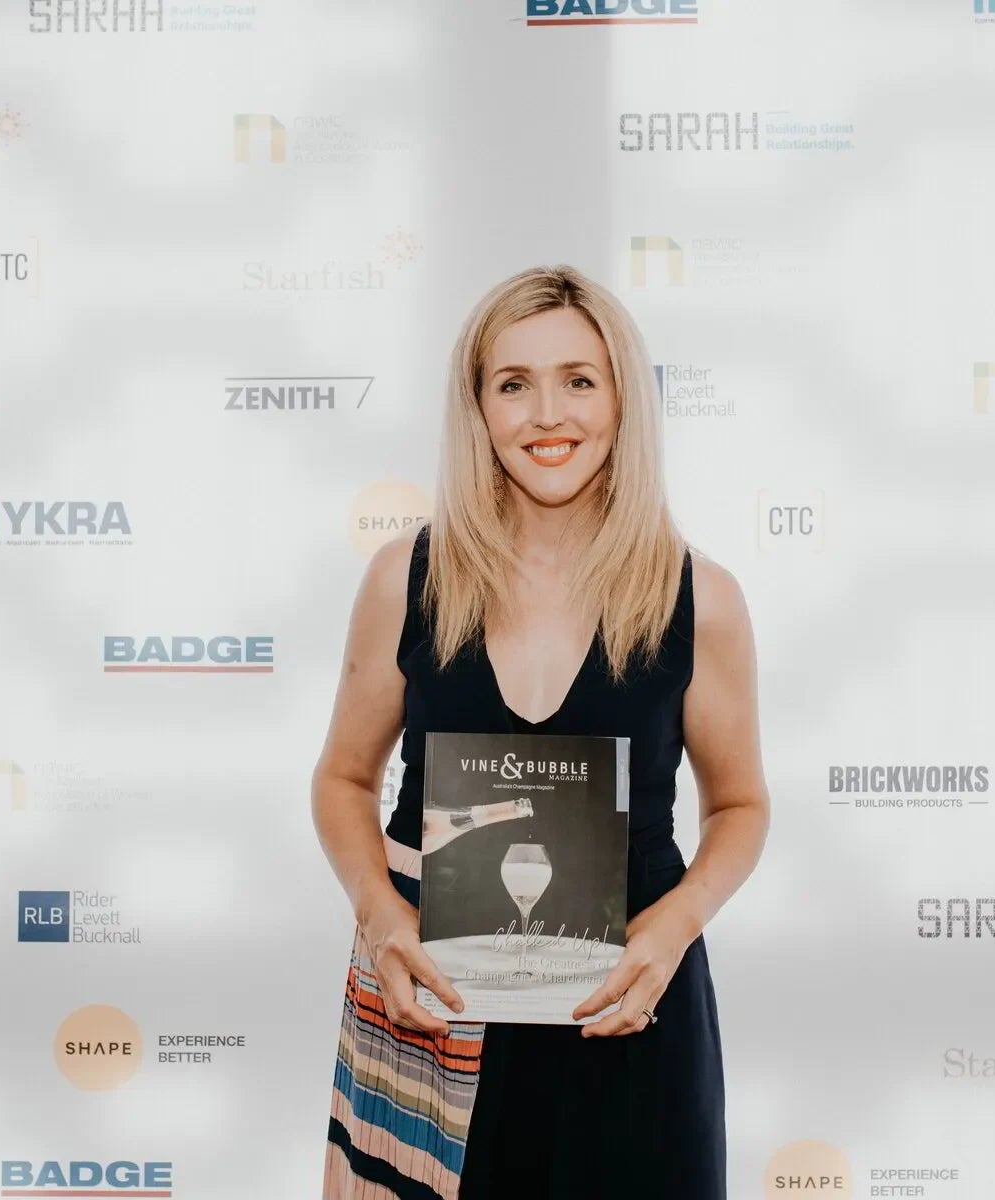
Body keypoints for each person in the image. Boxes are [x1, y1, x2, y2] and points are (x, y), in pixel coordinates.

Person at [312, 263, 770, 1199]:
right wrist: (380, 913)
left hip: (629, 1008)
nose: (547, 414)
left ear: (622, 400)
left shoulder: (700, 598)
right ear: (477, 408)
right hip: (430, 1007)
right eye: (513, 384)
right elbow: (342, 781)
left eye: (579, 380)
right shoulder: (407, 579)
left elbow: (742, 804)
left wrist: (672, 929)